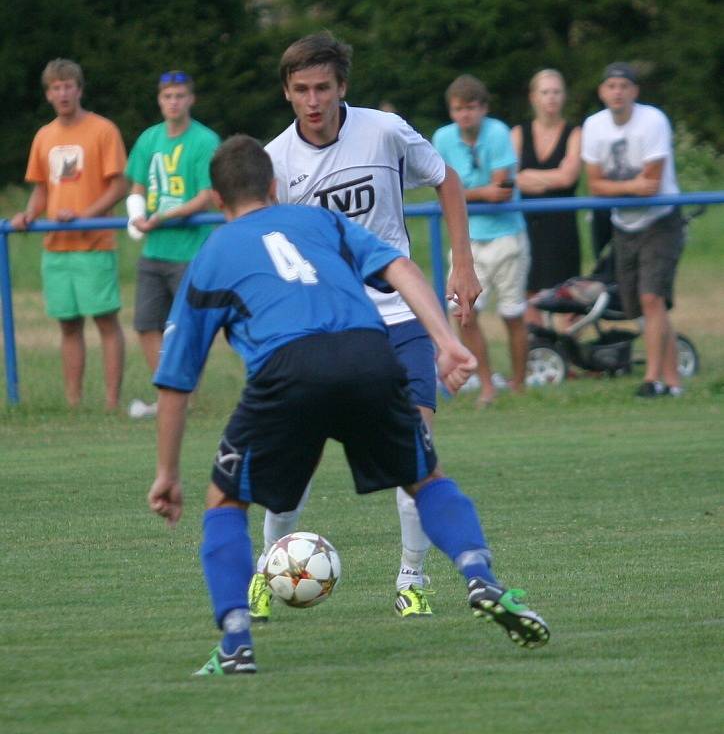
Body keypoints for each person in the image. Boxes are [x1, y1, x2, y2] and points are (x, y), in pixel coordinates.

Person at [146, 134, 550, 674]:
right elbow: (401, 269)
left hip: (286, 369)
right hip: (370, 353)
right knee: (426, 480)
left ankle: (236, 644)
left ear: (218, 201)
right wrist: (447, 342)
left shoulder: (213, 254)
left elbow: (175, 379)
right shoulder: (320, 224)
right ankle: (482, 578)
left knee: (224, 503)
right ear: (273, 186)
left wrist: (167, 472)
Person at [255, 31, 482, 619]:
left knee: (416, 449)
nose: (313, 100)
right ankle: (266, 573)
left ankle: (411, 580)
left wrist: (462, 261)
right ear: (287, 93)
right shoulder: (275, 162)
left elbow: (446, 179)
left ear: (342, 87)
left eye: (323, 88)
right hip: (325, 329)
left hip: (401, 316)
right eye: (301, 89)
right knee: (294, 461)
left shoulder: (383, 130)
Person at [11, 58, 127, 410]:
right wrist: (29, 214)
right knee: (68, 325)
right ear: (48, 94)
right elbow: (42, 189)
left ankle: (111, 403)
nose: (63, 93)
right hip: (56, 247)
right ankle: (73, 403)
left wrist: (83, 216)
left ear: (79, 89)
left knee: (105, 320)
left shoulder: (103, 130)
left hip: (94, 243)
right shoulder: (44, 136)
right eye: (56, 88)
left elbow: (119, 185)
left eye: (68, 86)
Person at [581, 62, 685, 398]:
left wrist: (622, 187)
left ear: (634, 92)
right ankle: (673, 381)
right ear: (602, 92)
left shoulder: (653, 120)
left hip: (661, 220)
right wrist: (632, 186)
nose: (617, 92)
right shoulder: (594, 126)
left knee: (652, 298)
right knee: (642, 306)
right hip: (623, 224)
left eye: (624, 86)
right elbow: (594, 185)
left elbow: (652, 185)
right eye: (611, 86)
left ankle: (652, 379)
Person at [125, 70, 221, 417]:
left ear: (191, 99)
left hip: (190, 251)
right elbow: (136, 186)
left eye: (180, 95)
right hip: (154, 250)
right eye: (168, 96)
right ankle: (168, 393)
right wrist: (137, 215)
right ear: (159, 100)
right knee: (146, 324)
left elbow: (206, 197)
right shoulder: (149, 139)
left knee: (188, 326)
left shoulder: (204, 140)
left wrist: (162, 218)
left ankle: (188, 397)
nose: (174, 102)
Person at [432, 75, 529, 406]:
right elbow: (441, 188)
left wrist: (461, 192)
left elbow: (502, 191)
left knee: (513, 314)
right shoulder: (443, 138)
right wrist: (480, 191)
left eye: (471, 108)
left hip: (506, 236)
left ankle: (519, 384)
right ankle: (486, 384)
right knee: (463, 314)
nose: (465, 116)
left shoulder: (499, 132)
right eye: (458, 109)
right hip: (466, 240)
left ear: (483, 108)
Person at [511, 70, 581, 326]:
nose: (551, 98)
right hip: (526, 222)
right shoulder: (519, 133)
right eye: (545, 92)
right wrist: (550, 178)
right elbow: (509, 178)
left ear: (564, 96)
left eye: (556, 92)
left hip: (562, 224)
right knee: (529, 291)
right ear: (533, 97)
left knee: (568, 290)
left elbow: (568, 177)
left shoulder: (574, 133)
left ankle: (570, 356)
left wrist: (529, 176)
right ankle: (540, 353)